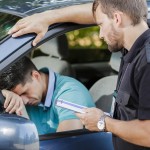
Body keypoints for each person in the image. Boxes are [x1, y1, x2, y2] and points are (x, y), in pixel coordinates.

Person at [8, 0, 150, 149]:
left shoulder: (146, 62)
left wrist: (103, 122)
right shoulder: (132, 49)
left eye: (100, 25)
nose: (100, 35)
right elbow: (96, 11)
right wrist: (47, 18)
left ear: (117, 19)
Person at [0, 56, 95, 135]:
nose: (23, 101)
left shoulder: (70, 92)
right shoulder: (31, 96)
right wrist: (3, 94)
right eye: (17, 96)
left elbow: (65, 143)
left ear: (36, 76)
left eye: (24, 92)